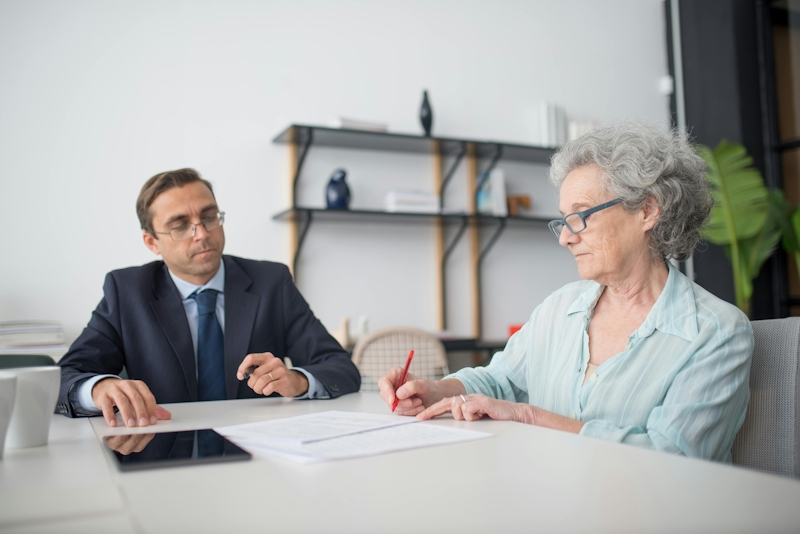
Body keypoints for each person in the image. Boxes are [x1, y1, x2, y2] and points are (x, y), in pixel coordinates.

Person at [379, 121, 753, 462]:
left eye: (581, 215)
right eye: (562, 219)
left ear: (648, 211)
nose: (565, 237)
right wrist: (435, 390)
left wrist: (529, 416)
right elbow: (500, 380)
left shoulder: (716, 332)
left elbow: (673, 455)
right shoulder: (561, 307)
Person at [57, 168, 360, 428]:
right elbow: (65, 376)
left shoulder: (271, 282)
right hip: (160, 451)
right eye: (180, 226)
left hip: (259, 454)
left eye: (209, 217)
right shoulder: (127, 291)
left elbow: (340, 367)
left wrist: (298, 381)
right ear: (152, 243)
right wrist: (100, 387)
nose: (202, 234)